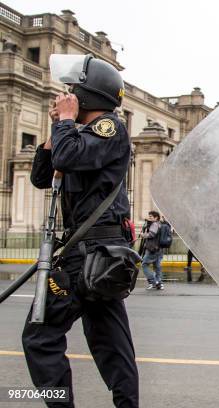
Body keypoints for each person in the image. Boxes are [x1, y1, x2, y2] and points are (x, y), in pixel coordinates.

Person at [23, 54, 138, 407]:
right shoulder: (77, 135)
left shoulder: (109, 127)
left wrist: (68, 122)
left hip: (91, 252)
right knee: (111, 343)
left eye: (73, 90)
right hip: (92, 254)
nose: (67, 94)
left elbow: (69, 158)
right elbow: (42, 176)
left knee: (40, 337)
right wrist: (57, 128)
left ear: (90, 95)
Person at [141, 210, 164, 290]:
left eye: (151, 216)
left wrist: (144, 235)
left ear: (156, 217)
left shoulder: (154, 224)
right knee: (157, 266)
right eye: (149, 216)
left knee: (144, 264)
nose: (149, 218)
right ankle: (159, 283)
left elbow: (152, 234)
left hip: (152, 249)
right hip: (159, 249)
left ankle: (153, 281)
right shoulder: (160, 224)